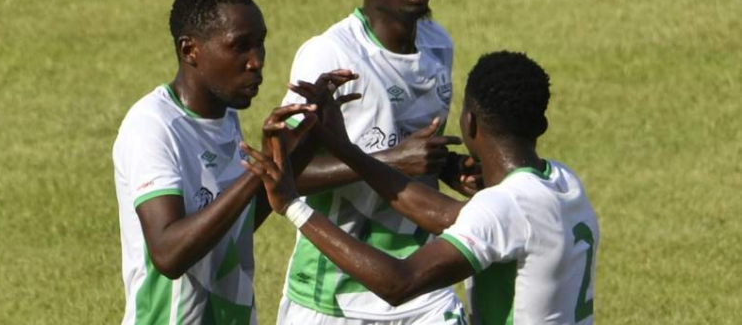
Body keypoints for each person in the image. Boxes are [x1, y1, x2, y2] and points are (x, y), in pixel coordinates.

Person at [248, 51, 600, 325]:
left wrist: (293, 205)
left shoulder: (506, 208)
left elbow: (398, 283)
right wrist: (343, 147)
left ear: (469, 123)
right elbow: (448, 215)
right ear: (541, 124)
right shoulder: (562, 183)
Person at [277, 0, 481, 323]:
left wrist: (447, 166)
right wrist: (392, 161)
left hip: (423, 286)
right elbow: (283, 172)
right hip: (334, 293)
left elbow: (413, 149)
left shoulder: (438, 45)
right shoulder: (331, 54)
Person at [112, 0, 320, 325]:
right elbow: (168, 254)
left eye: (260, 43)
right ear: (189, 50)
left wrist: (305, 138)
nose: (256, 61)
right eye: (240, 46)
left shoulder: (224, 118)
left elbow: (236, 226)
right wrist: (257, 169)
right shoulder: (153, 126)